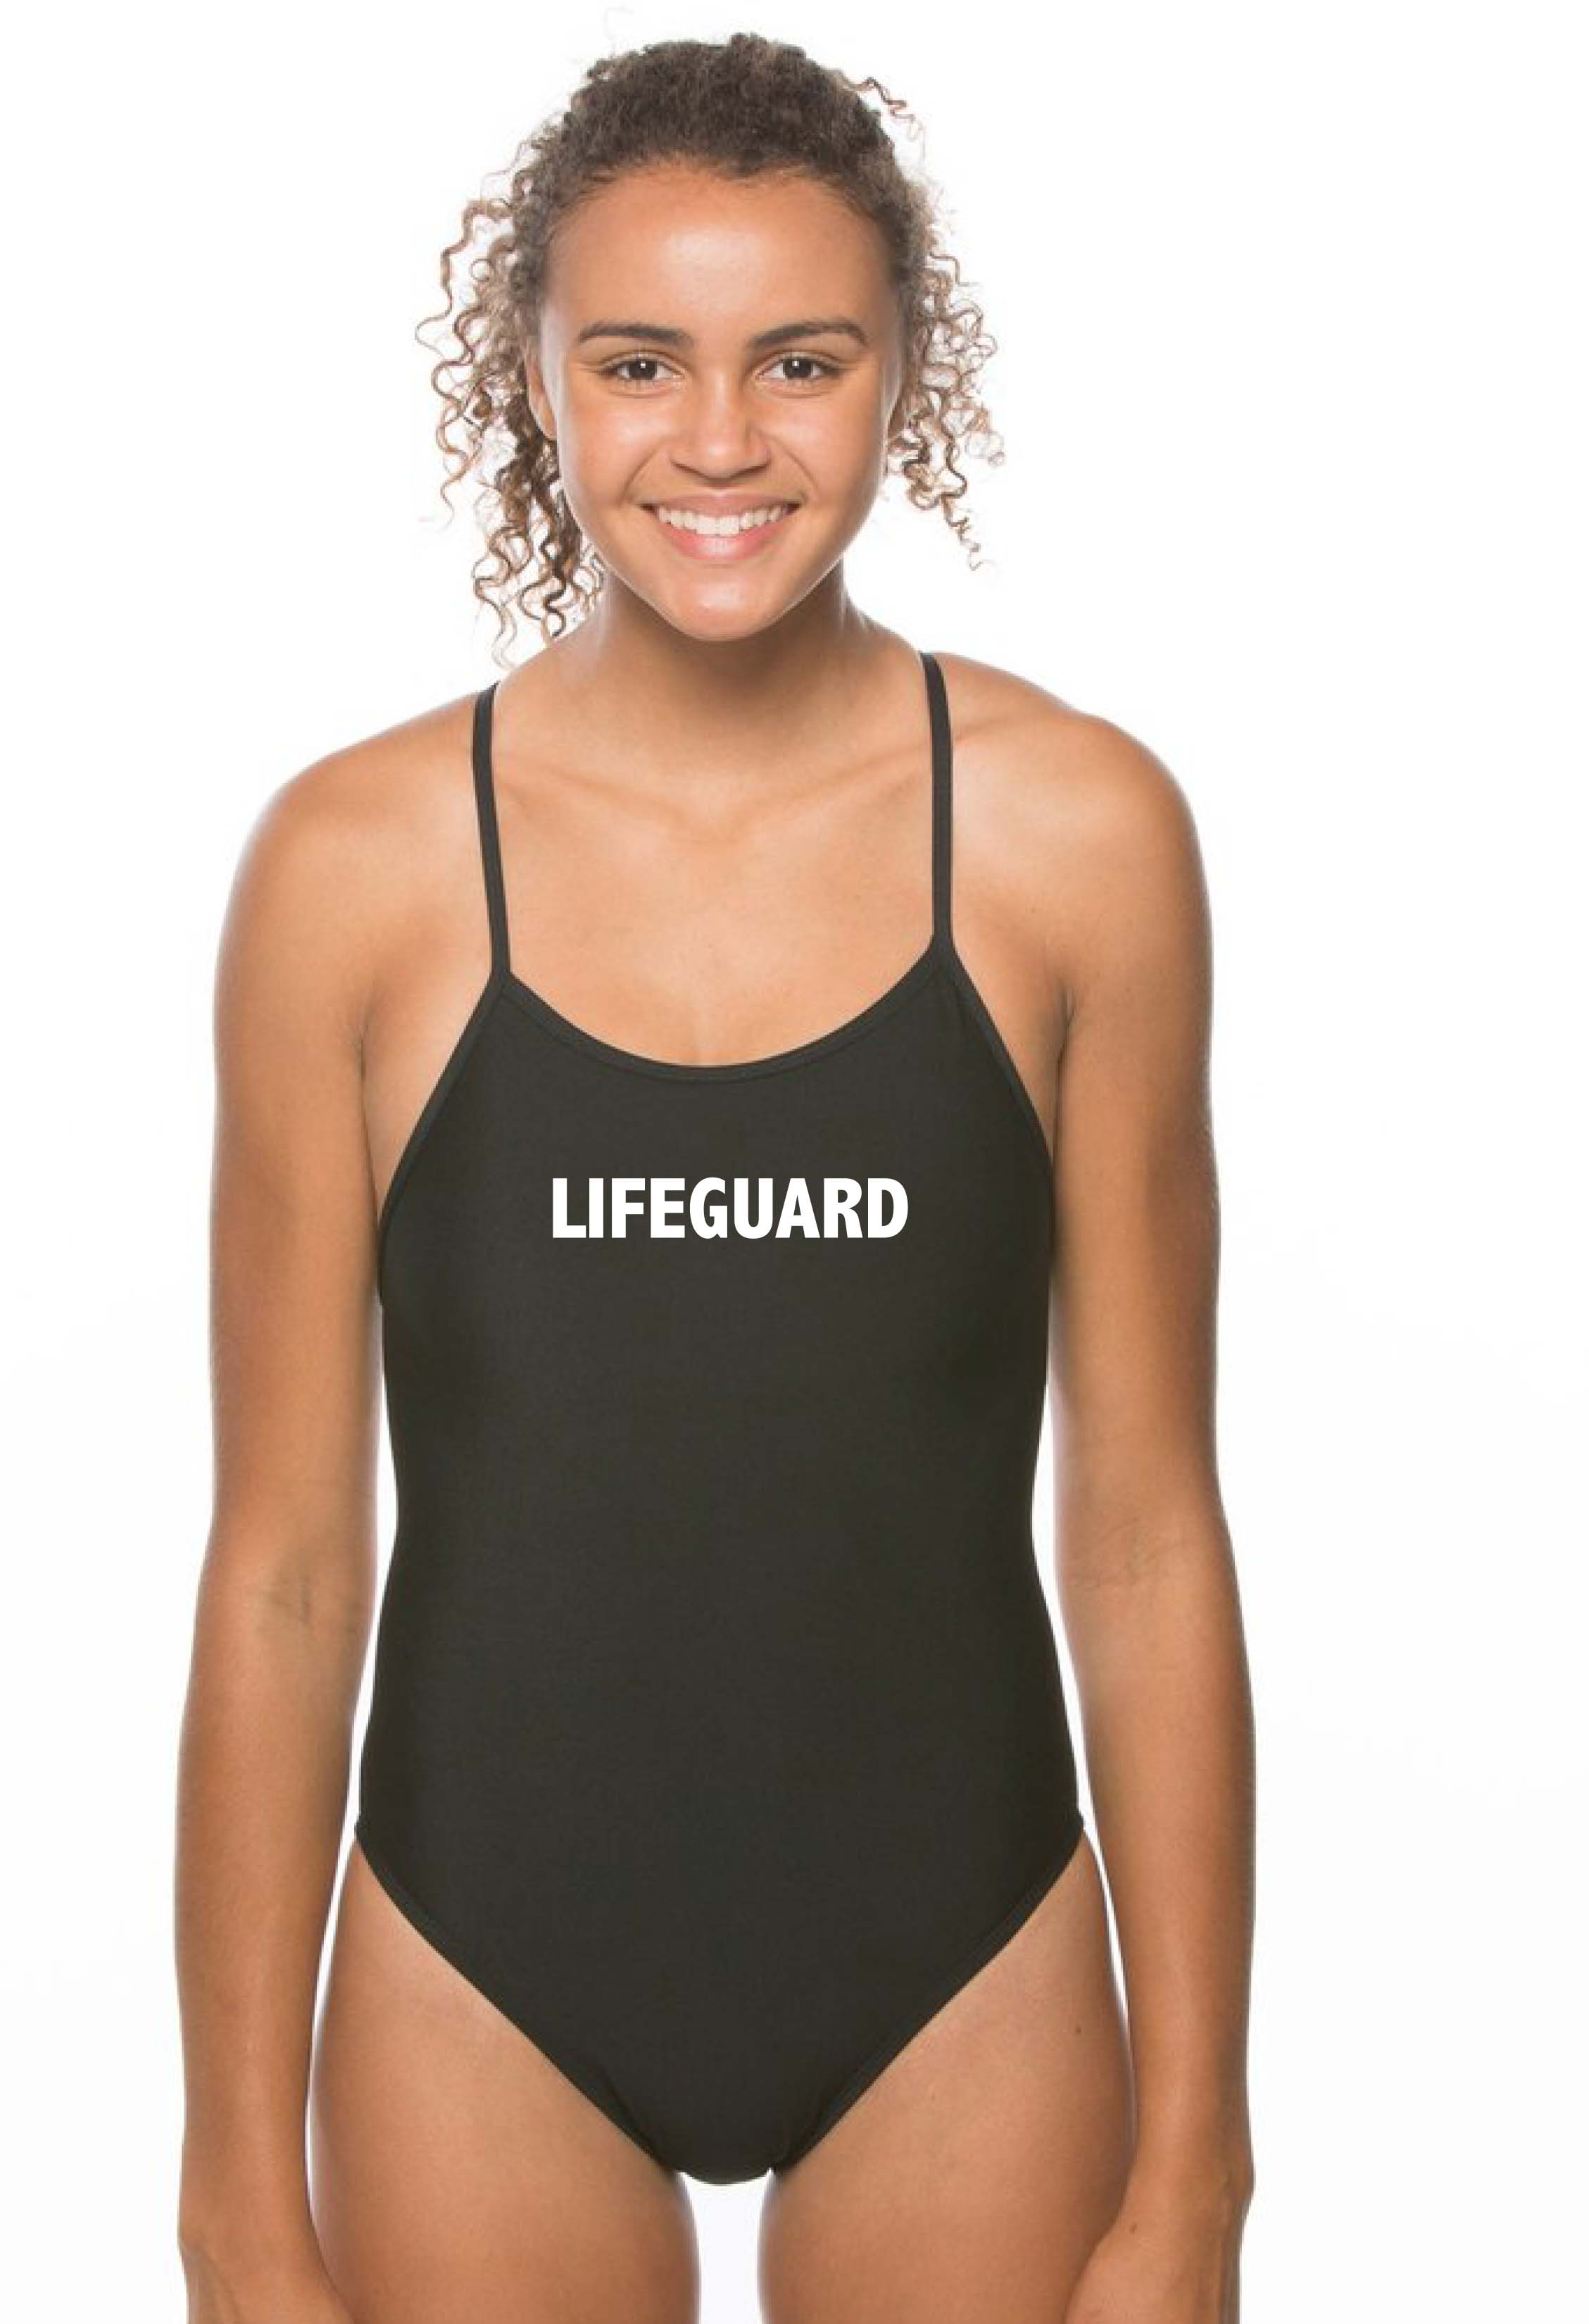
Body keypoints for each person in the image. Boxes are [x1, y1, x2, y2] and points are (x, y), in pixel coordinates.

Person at [174, 32, 1256, 2324]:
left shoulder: (1077, 839)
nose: (724, 440)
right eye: (639, 362)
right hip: (479, 1956)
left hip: (959, 1948)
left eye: (803, 360)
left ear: (902, 369)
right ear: (536, 378)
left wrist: (1195, 2178)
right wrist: (232, 2210)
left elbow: (1148, 1528)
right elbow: (281, 1567)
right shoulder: (354, 869)